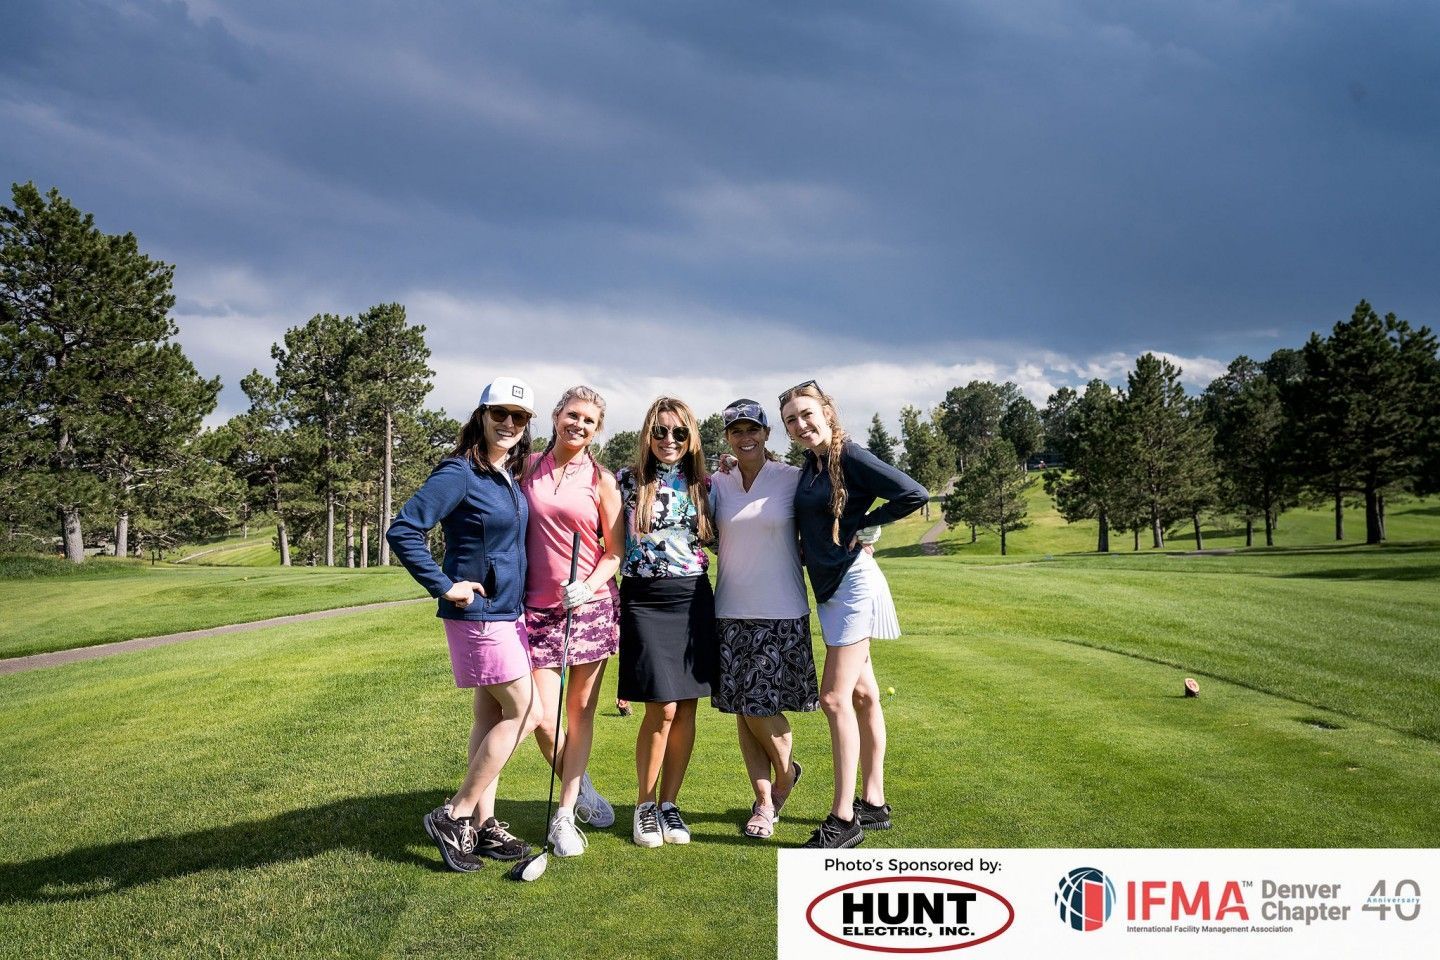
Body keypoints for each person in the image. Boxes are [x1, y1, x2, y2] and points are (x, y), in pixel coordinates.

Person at [386, 376, 542, 872]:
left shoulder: (506, 475)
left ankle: (481, 826)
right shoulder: (460, 473)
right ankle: (455, 814)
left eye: (519, 417)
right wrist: (444, 584)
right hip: (478, 615)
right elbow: (404, 529)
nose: (509, 423)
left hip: (506, 613)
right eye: (500, 413)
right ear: (481, 416)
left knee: (491, 717)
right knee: (526, 712)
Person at [777, 381, 928, 849]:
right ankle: (874, 802)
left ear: (827, 410)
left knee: (835, 699)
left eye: (806, 414)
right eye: (790, 421)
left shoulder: (850, 456)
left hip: (852, 583)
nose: (801, 425)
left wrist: (863, 524)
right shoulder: (813, 463)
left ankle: (843, 820)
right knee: (863, 695)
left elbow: (913, 492)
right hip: (832, 587)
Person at [521, 385, 623, 857]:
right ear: (557, 415)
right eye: (572, 415)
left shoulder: (601, 479)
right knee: (540, 715)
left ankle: (564, 816)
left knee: (579, 715)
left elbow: (616, 550)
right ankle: (581, 788)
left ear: (596, 430)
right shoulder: (527, 467)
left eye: (589, 420)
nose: (578, 425)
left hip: (589, 606)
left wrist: (589, 584)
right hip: (536, 608)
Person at [709, 398, 818, 840]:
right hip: (730, 609)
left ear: (767, 433)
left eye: (752, 428)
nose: (745, 436)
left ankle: (785, 776)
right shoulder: (718, 481)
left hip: (782, 610)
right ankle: (765, 798)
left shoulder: (792, 478)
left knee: (761, 707)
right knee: (743, 710)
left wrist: (863, 539)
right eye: (736, 430)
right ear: (727, 437)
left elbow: (830, 515)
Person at [616, 396, 717, 848]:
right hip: (644, 599)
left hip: (693, 597)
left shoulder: (707, 484)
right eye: (660, 431)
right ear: (647, 434)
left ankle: (670, 805)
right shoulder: (625, 481)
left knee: (688, 707)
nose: (669, 440)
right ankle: (644, 805)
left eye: (678, 432)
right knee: (662, 707)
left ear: (691, 436)